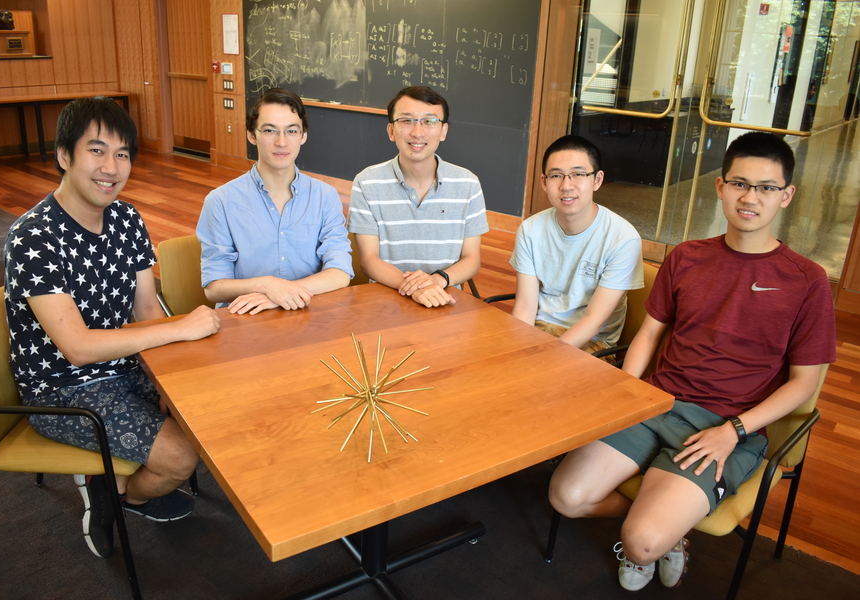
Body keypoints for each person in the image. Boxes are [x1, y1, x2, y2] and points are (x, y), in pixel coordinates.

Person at [548, 131, 836, 591]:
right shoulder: (686, 257)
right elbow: (648, 335)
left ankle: (659, 534)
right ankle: (668, 523)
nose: (750, 197)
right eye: (740, 183)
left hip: (726, 426)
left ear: (786, 196)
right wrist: (624, 395)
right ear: (721, 187)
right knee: (566, 496)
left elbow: (803, 384)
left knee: (641, 542)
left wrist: (734, 432)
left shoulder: (807, 280)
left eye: (765, 188)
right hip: (656, 403)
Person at [3, 96, 221, 559]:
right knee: (182, 455)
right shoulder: (33, 236)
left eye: (122, 154)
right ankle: (123, 496)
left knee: (217, 413)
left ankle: (115, 477)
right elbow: (78, 348)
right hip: (62, 390)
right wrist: (180, 331)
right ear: (64, 156)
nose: (111, 167)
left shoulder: (126, 217)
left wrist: (170, 374)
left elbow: (145, 308)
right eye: (96, 150)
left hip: (128, 365)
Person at [196, 88, 352, 314]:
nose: (281, 142)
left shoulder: (324, 196)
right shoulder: (221, 201)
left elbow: (340, 272)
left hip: (310, 315)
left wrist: (281, 295)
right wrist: (266, 286)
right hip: (245, 320)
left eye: (291, 131)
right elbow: (214, 287)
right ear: (252, 135)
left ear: (303, 136)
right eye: (270, 130)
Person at [348, 86, 489, 308]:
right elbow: (368, 260)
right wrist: (416, 289)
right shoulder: (366, 183)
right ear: (391, 130)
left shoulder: (468, 184)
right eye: (406, 121)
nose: (418, 132)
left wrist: (435, 281)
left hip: (445, 298)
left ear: (443, 131)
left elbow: (472, 259)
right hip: (385, 300)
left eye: (429, 121)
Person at [510, 135, 642, 357]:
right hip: (537, 330)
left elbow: (593, 321)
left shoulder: (623, 239)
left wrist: (546, 355)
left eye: (578, 174)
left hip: (590, 343)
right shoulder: (530, 229)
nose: (566, 185)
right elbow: (525, 306)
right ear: (544, 182)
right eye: (556, 176)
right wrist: (516, 346)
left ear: (597, 180)